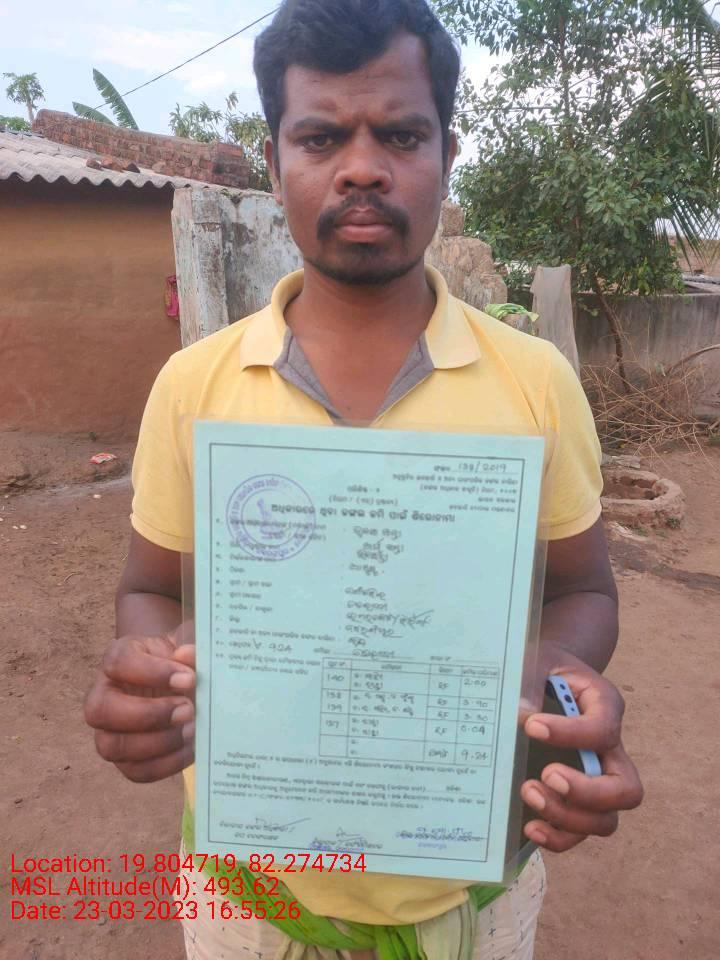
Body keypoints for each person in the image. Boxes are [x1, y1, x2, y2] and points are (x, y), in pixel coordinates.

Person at [84, 2, 643, 959]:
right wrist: (154, 674)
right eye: (320, 138)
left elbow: (583, 589)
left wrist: (561, 685)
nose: (361, 168)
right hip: (252, 905)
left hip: (470, 897)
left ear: (447, 155)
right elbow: (151, 586)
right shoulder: (195, 386)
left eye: (402, 135)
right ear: (274, 164)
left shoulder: (535, 382)